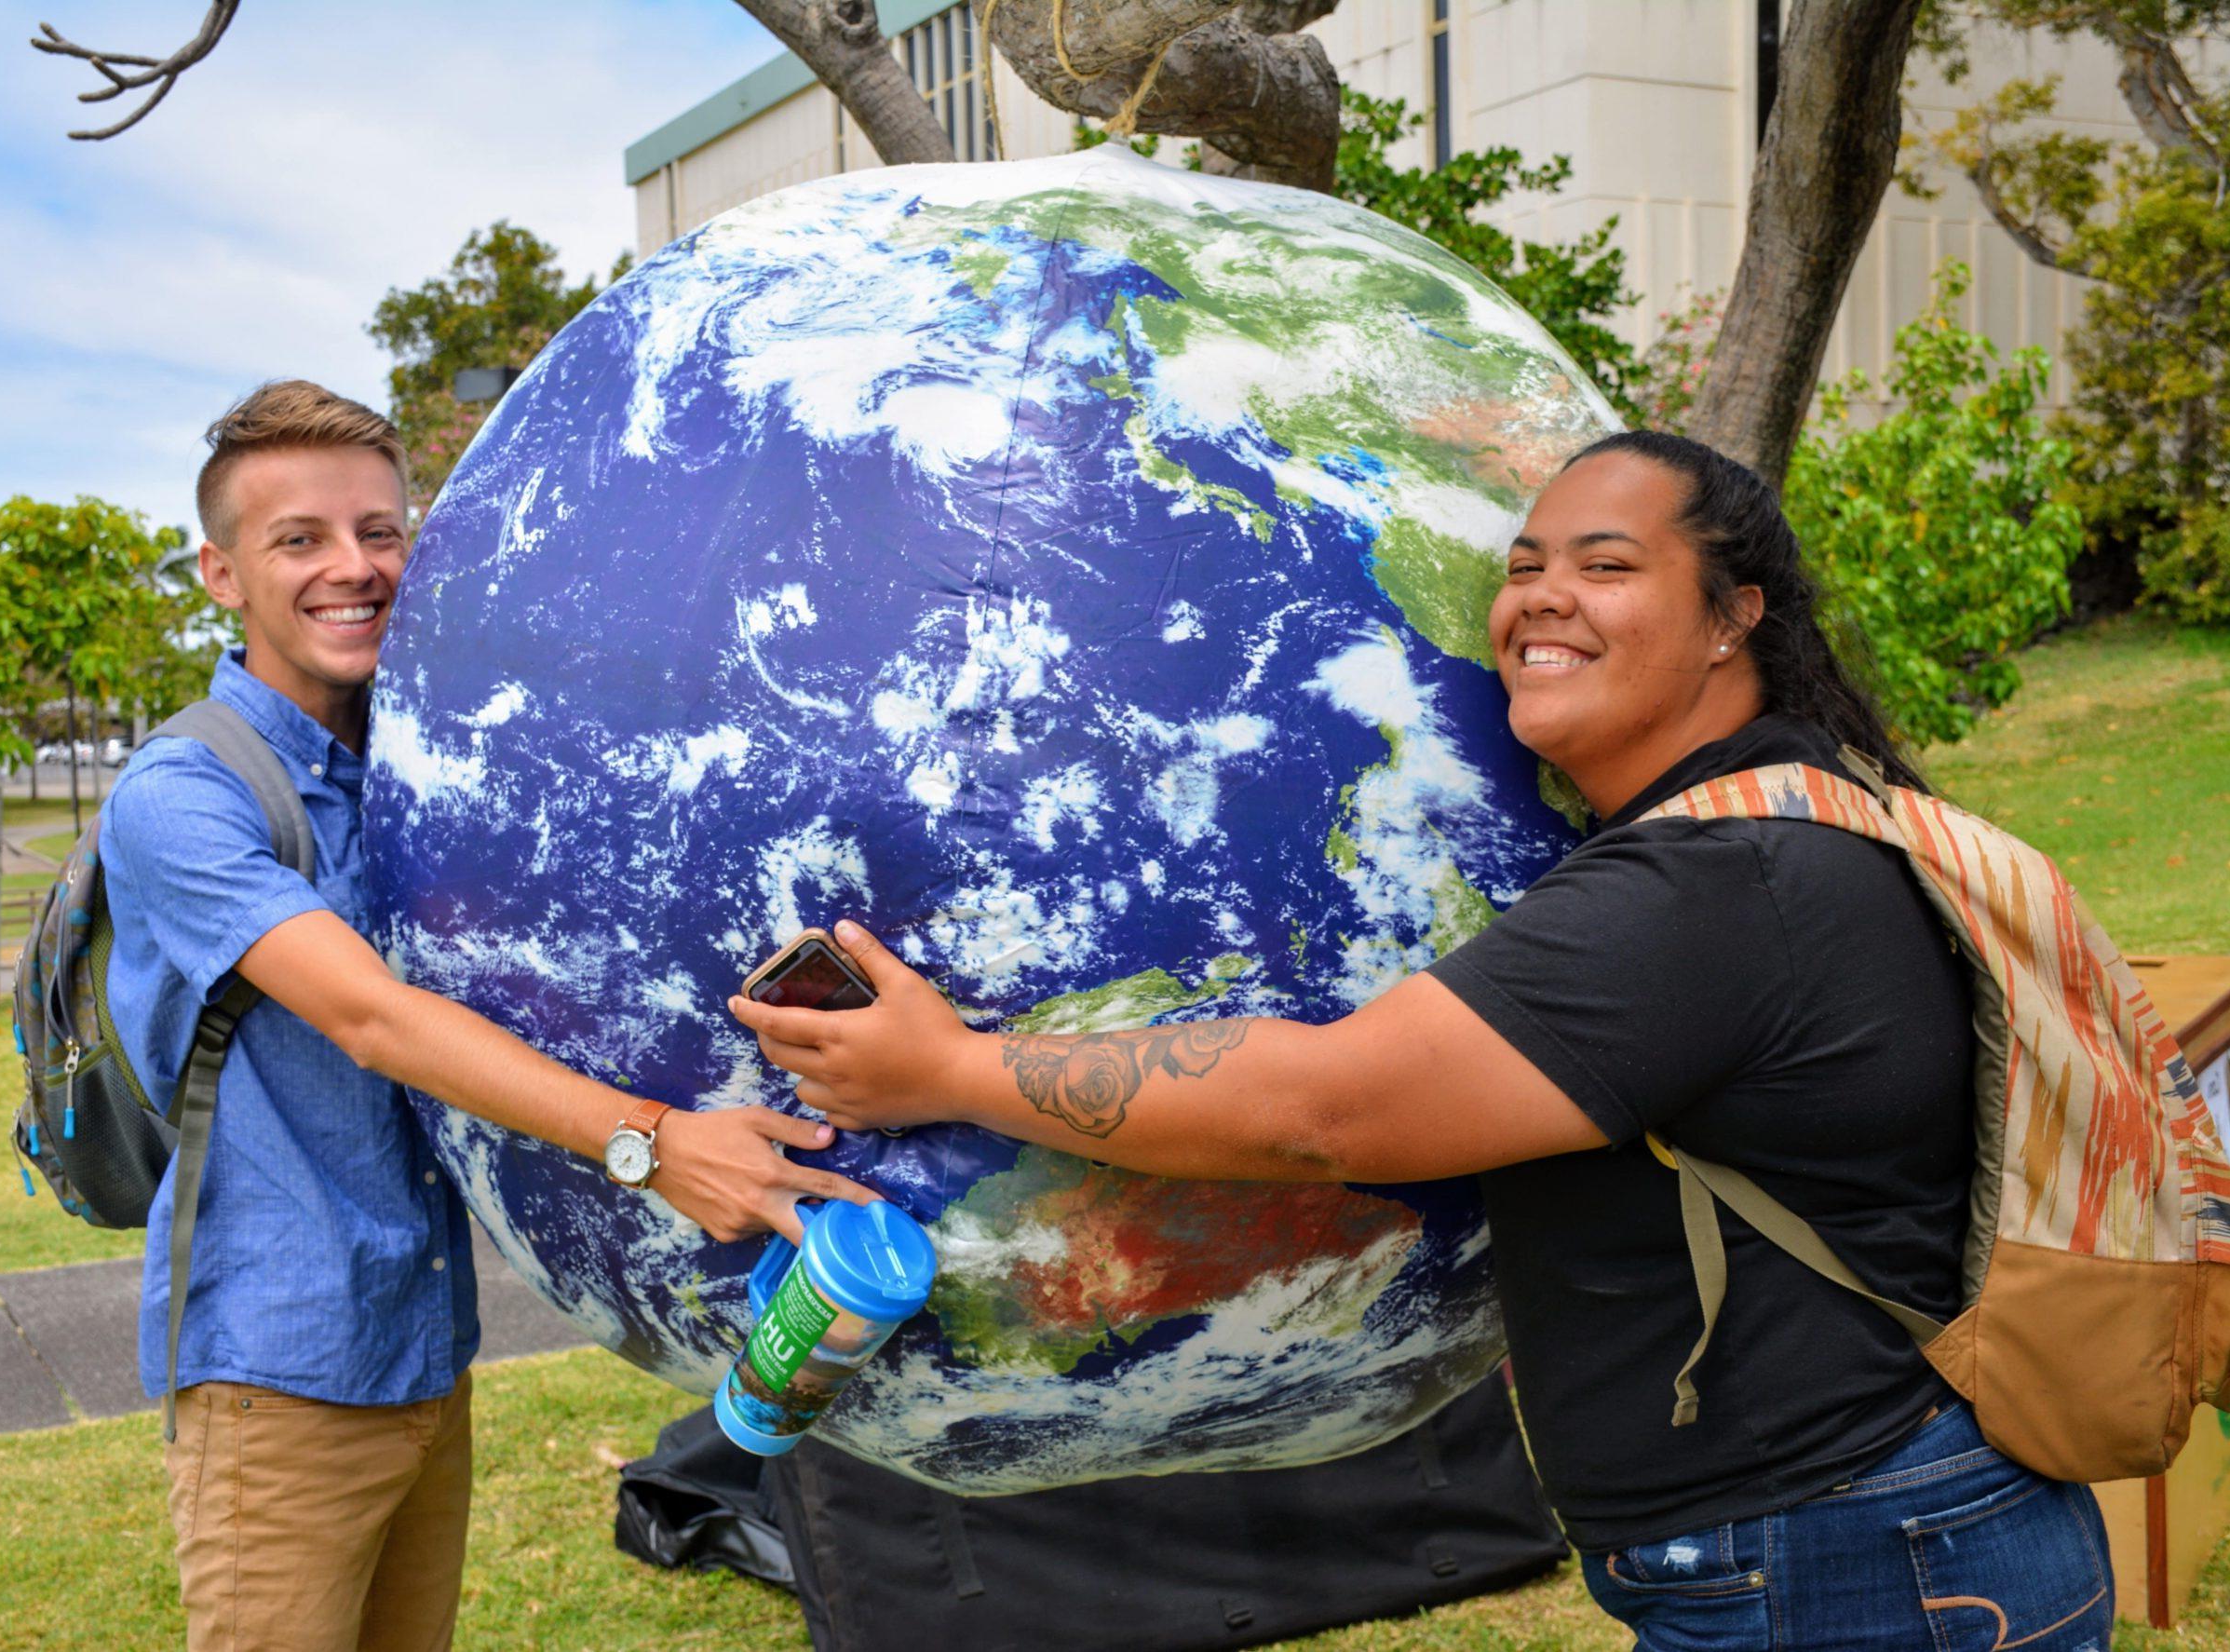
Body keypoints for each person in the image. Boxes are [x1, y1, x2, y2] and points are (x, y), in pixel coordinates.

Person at [730, 430, 2115, 1650]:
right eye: (1522, 565)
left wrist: (951, 1072)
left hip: (1853, 1565)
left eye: (1608, 565)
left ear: (1731, 617)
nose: (1538, 599)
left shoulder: (1710, 885)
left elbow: (1325, 1109)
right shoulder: (1791, 812)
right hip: (1874, 1537)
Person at [102, 380, 869, 1652]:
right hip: (274, 1374)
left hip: (421, 1349)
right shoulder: (181, 793)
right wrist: (657, 1143)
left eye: (380, 530)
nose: (353, 568)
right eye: (300, 539)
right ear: (221, 572)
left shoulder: (409, 763)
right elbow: (376, 1021)